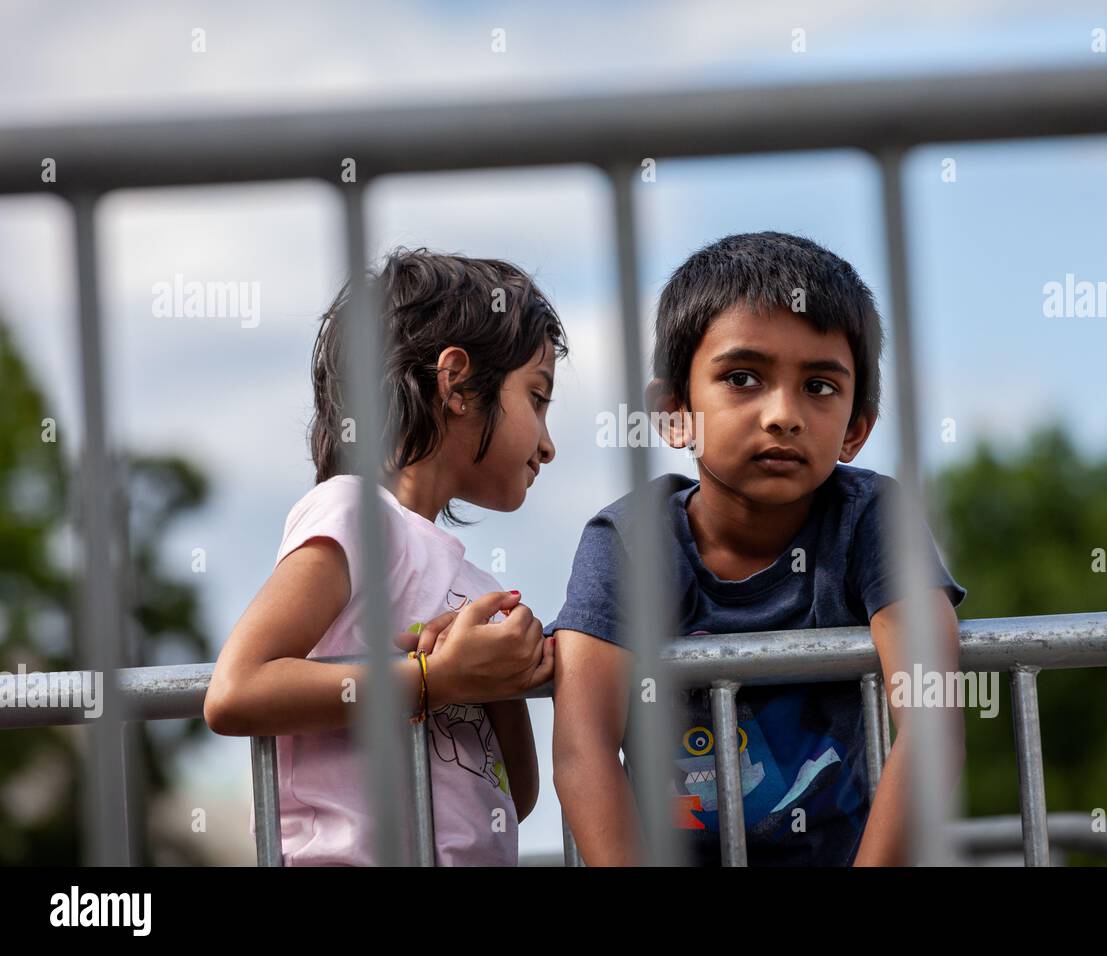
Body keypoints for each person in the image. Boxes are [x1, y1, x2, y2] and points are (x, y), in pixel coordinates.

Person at [549, 231, 966, 866]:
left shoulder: (873, 520)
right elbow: (584, 747)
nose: (783, 414)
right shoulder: (627, 543)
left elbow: (931, 720)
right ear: (674, 412)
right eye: (742, 378)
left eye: (820, 386)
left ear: (856, 429)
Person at [206, 248, 563, 866]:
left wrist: (498, 675)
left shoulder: (476, 586)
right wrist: (435, 680)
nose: (548, 444)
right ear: (456, 383)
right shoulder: (351, 513)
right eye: (537, 397)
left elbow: (516, 797)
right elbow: (236, 690)